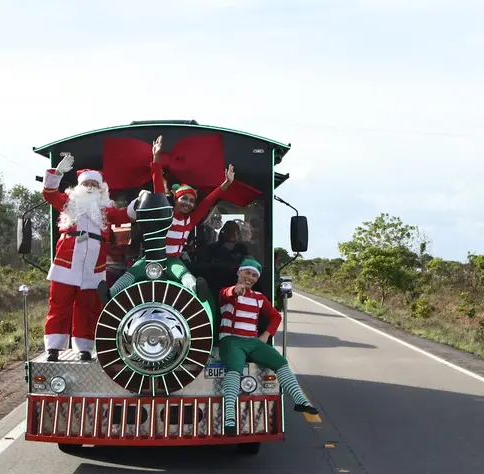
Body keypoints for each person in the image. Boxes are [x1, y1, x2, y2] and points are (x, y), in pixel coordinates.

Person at [99, 135, 234, 301]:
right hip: (151, 259)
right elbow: (158, 188)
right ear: (176, 199)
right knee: (131, 273)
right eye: (184, 198)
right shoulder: (163, 213)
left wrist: (224, 185)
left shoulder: (189, 221)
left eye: (192, 201)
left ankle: (197, 291)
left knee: (184, 274)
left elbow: (207, 203)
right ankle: (110, 294)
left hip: (172, 261)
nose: (188, 203)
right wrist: (156, 159)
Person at [40, 154, 139, 362]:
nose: (91, 187)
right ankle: (53, 347)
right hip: (67, 262)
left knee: (87, 307)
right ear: (79, 186)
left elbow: (125, 215)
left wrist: (139, 202)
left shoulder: (106, 210)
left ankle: (84, 347)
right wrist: (57, 173)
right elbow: (49, 194)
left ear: (101, 188)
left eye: (95, 184)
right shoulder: (68, 203)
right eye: (87, 184)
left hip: (94, 265)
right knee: (59, 305)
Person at [217, 257, 319, 435]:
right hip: (231, 340)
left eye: (254, 275)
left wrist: (265, 335)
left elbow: (276, 316)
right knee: (234, 369)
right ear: (239, 272)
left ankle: (300, 401)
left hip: (252, 341)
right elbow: (227, 293)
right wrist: (235, 290)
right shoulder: (227, 292)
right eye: (247, 273)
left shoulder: (259, 298)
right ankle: (230, 418)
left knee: (280, 362)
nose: (250, 277)